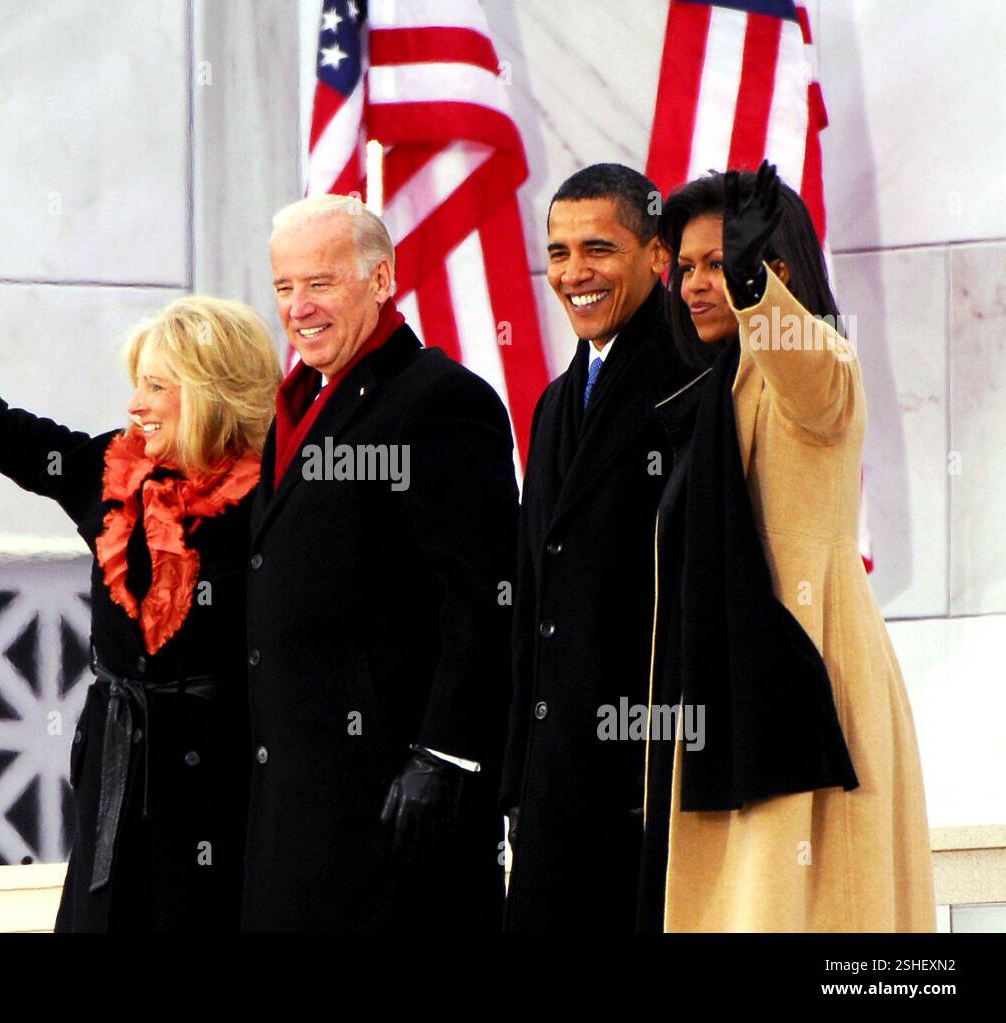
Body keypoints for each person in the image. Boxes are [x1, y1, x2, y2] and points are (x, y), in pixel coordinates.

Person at [0, 193, 281, 932]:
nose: (136, 403)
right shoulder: (104, 472)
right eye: (139, 383)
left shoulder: (275, 500)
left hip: (221, 777)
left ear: (215, 395)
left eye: (158, 386)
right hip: (115, 763)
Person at [638, 162, 936, 931]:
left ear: (771, 271)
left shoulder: (820, 364)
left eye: (719, 264)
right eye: (689, 267)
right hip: (731, 691)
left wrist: (754, 294)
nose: (696, 283)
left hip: (805, 683)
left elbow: (806, 370)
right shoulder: (718, 388)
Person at [241, 194, 517, 932]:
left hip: (392, 809)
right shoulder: (296, 405)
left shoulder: (439, 401)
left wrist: (446, 755)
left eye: (321, 283)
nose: (298, 307)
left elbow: (484, 596)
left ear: (383, 279)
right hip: (295, 804)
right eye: (283, 287)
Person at [500, 164, 693, 932]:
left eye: (598, 249)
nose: (574, 273)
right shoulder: (552, 402)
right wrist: (515, 776)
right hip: (553, 784)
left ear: (656, 257)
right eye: (558, 252)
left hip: (647, 781)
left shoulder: (696, 381)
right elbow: (530, 596)